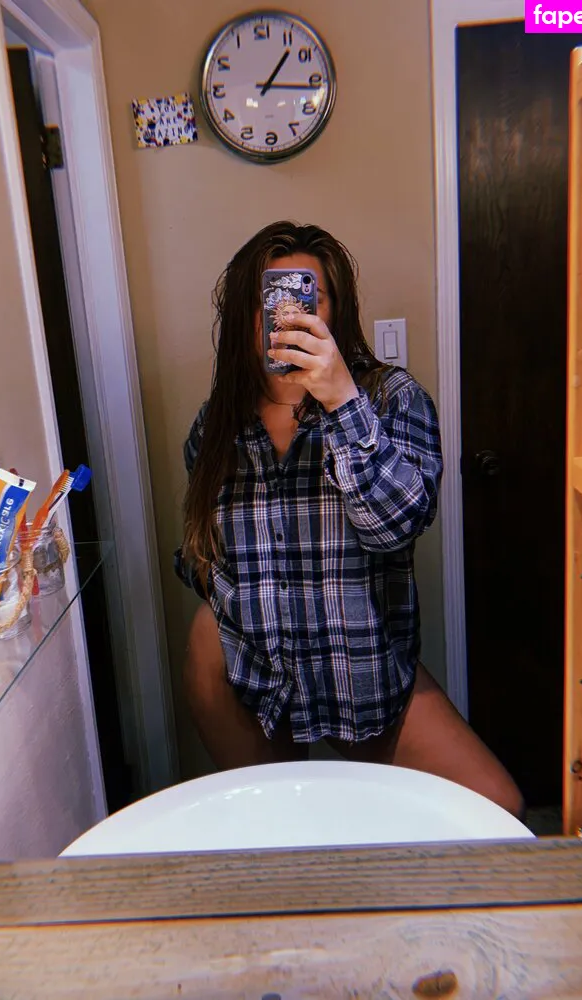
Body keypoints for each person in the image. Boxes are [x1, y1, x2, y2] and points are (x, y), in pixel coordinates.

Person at [176, 221, 524, 819]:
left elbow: (397, 525)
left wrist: (341, 402)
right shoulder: (216, 424)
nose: (286, 313)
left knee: (496, 808)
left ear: (334, 310)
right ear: (242, 315)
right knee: (279, 832)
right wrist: (234, 602)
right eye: (269, 297)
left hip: (360, 677)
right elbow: (201, 551)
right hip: (251, 678)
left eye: (307, 296)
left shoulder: (389, 399)